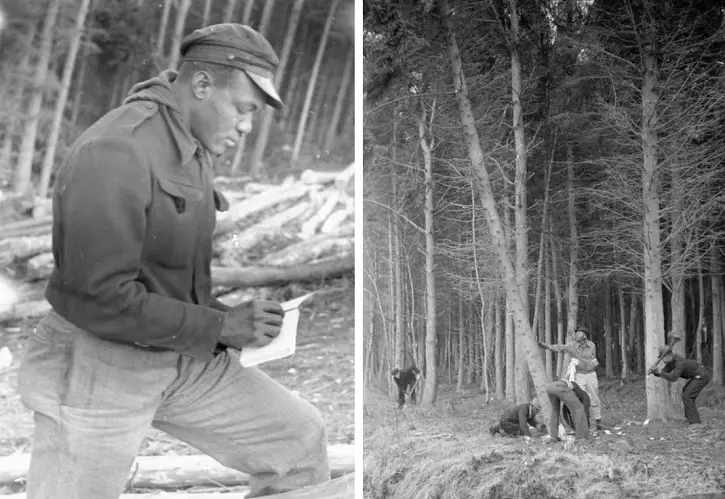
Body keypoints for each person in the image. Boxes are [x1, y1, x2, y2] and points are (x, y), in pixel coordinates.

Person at [16, 24, 330, 499]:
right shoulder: (118, 149)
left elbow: (161, 273)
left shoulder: (190, 147)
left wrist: (225, 317)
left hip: (178, 352)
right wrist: (218, 328)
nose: (247, 126)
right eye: (244, 109)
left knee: (297, 440)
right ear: (202, 85)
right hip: (96, 365)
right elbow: (98, 297)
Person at [539, 326, 603, 430]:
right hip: (579, 375)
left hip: (591, 374)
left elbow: (594, 358)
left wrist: (592, 365)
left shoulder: (592, 345)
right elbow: (560, 348)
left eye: (582, 337)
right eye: (578, 337)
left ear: (585, 337)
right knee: (582, 397)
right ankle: (584, 421)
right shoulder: (572, 346)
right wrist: (547, 346)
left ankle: (598, 421)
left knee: (594, 396)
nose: (580, 340)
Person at [651, 346, 710, 425]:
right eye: (662, 358)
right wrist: (655, 371)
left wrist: (660, 372)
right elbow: (663, 372)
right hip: (696, 376)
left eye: (663, 358)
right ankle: (690, 418)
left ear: (669, 355)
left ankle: (695, 423)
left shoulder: (679, 363)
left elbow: (673, 378)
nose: (663, 360)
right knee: (685, 391)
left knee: (687, 396)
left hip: (702, 376)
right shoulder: (671, 362)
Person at [561, 360, 592, 432]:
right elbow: (565, 413)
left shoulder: (583, 396)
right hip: (572, 400)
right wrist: (572, 427)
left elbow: (585, 411)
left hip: (583, 399)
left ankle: (586, 427)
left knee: (583, 413)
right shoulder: (564, 393)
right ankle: (575, 427)